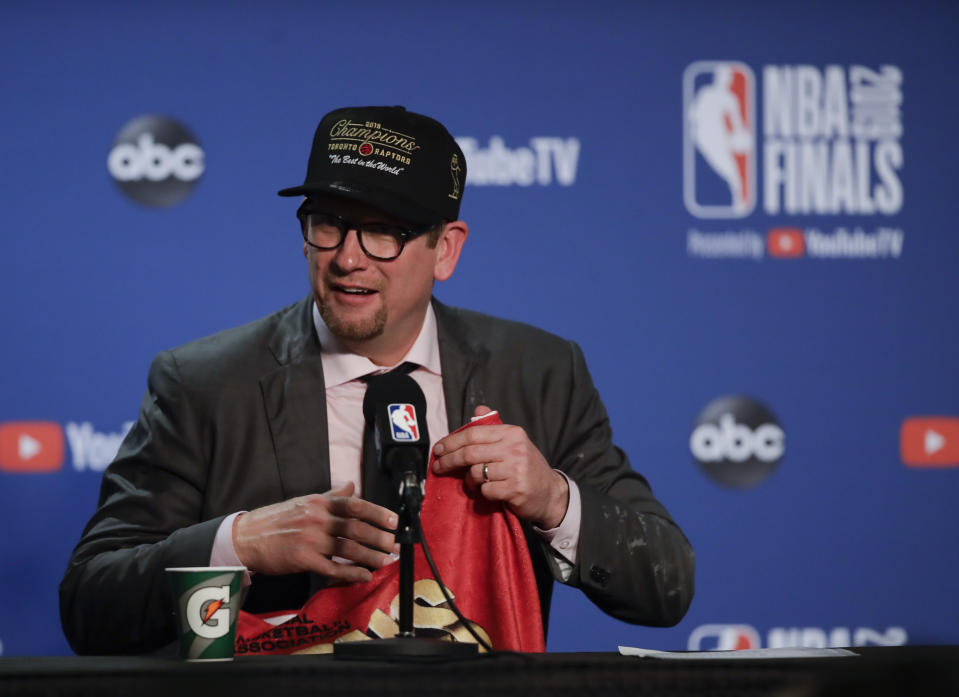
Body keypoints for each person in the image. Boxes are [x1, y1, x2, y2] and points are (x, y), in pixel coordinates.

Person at [60, 106, 694, 655]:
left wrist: (555, 500)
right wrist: (238, 544)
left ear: (445, 249)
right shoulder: (204, 385)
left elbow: (666, 584)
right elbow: (91, 606)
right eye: (328, 221)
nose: (347, 256)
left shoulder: (539, 372)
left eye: (384, 230)